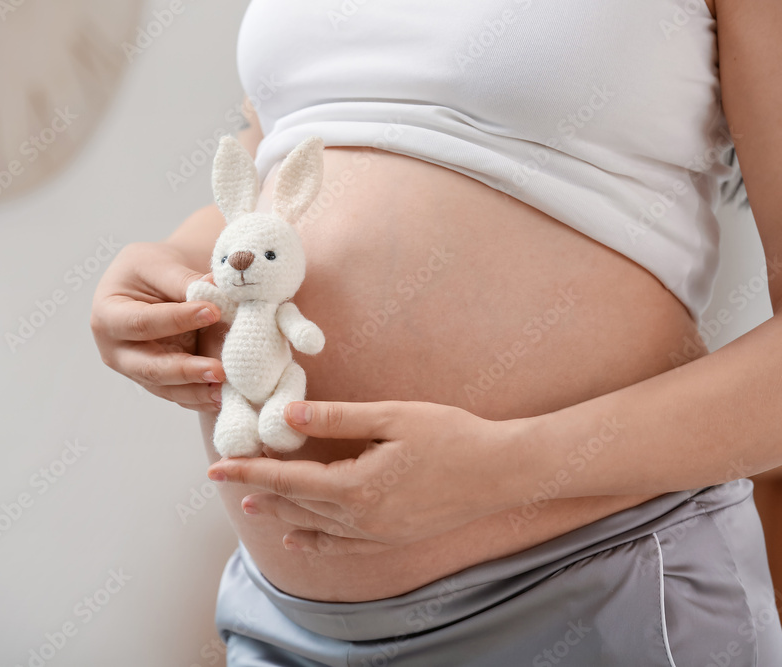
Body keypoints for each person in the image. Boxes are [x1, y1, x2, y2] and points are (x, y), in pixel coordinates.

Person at [91, 1, 782, 664]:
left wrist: (500, 470)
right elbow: (282, 144)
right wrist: (174, 261)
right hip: (288, 622)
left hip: (594, 588)